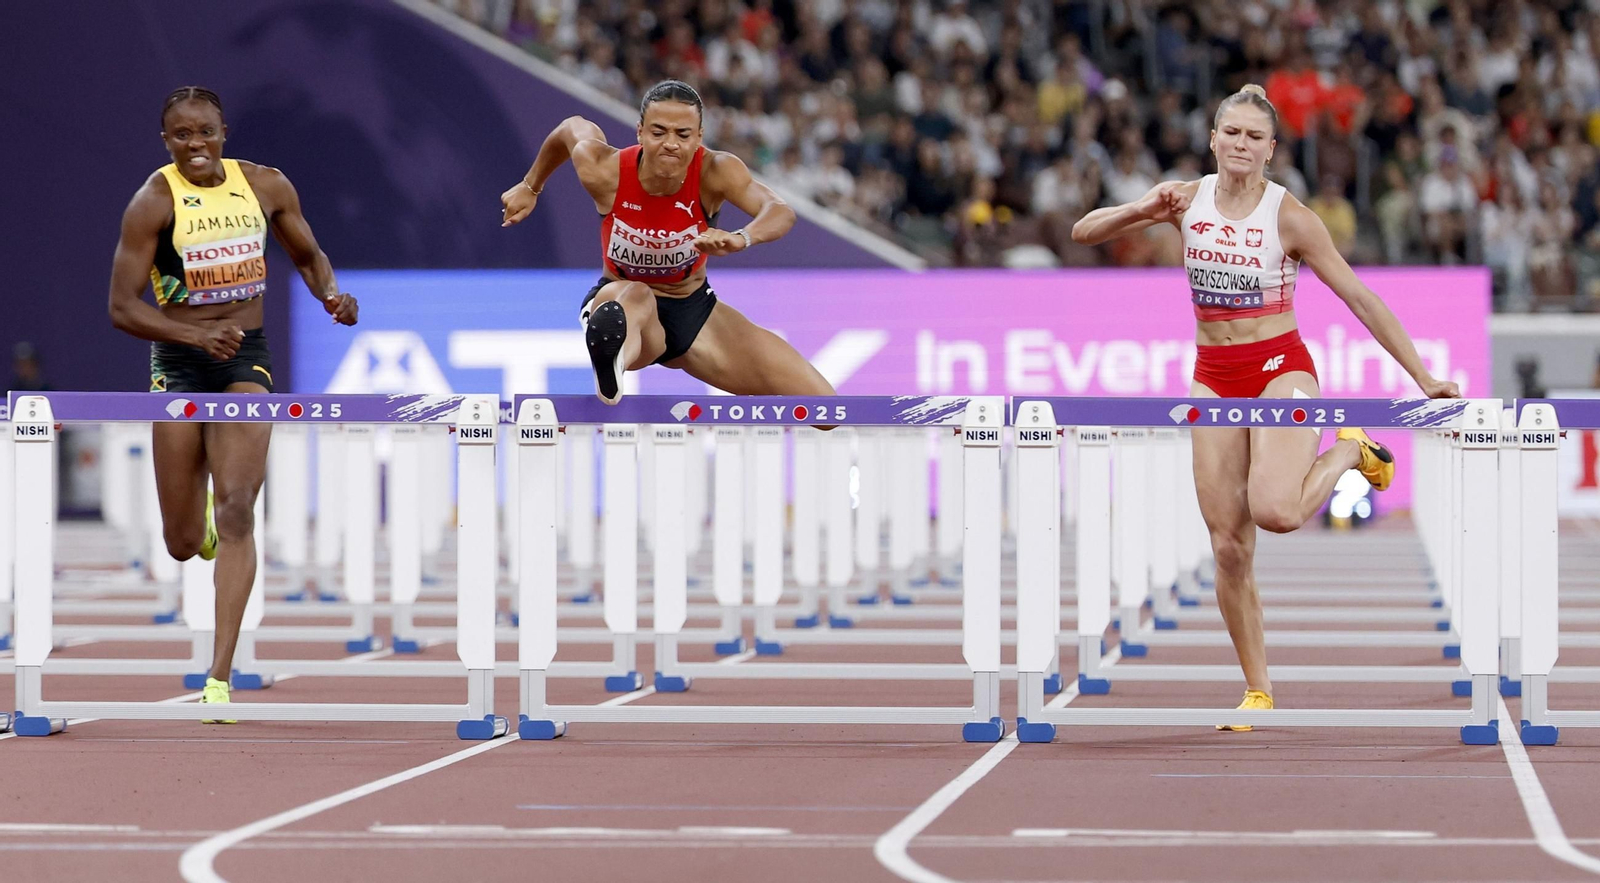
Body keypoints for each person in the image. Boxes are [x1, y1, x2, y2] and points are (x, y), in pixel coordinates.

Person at [1072, 85, 1460, 730]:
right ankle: (1257, 691)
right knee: (1228, 545)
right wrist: (1140, 208)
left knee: (1275, 511)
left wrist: (1422, 377)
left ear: (1271, 150)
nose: (1242, 145)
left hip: (1282, 369)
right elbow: (1086, 232)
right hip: (1213, 375)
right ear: (1214, 139)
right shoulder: (1184, 199)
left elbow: (1359, 298)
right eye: (1233, 133)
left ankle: (1348, 451)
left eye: (1255, 137)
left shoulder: (1292, 218)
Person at [107, 87, 359, 722]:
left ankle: (218, 674)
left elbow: (307, 254)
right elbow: (122, 307)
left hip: (246, 357)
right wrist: (193, 334)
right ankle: (205, 530)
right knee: (183, 542)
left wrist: (331, 293)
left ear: (225, 131)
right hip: (180, 362)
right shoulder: (154, 201)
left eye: (206, 133)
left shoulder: (266, 186)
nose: (196, 146)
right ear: (165, 141)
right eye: (182, 136)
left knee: (242, 506)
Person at [499, 80, 834, 404]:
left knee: (827, 406)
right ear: (640, 132)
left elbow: (779, 210)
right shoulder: (604, 169)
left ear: (699, 137)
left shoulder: (716, 171)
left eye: (683, 134)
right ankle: (611, 364)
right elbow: (571, 128)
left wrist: (740, 238)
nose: (670, 143)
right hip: (626, 304)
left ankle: (614, 356)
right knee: (636, 295)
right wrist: (530, 186)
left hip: (694, 310)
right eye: (658, 132)